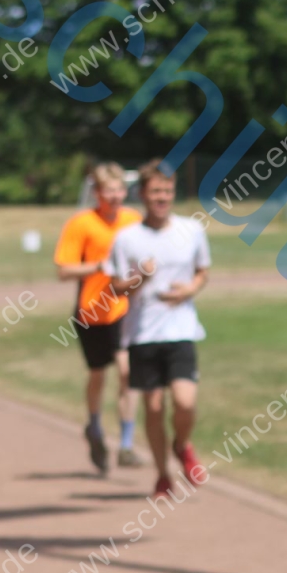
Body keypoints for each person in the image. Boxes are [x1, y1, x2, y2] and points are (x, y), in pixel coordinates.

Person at [105, 163, 210, 500]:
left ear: (173, 192)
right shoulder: (127, 238)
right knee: (152, 408)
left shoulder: (192, 229)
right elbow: (116, 288)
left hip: (181, 330)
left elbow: (202, 271)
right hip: (142, 334)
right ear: (143, 195)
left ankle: (182, 444)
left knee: (185, 402)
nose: (162, 197)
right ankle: (163, 475)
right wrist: (141, 279)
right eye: (155, 192)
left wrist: (190, 290)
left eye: (167, 191)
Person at [55, 162, 143, 474]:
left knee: (126, 372)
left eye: (120, 190)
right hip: (90, 311)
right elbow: (63, 271)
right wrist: (99, 267)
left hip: (122, 309)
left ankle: (127, 444)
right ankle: (94, 428)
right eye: (109, 191)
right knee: (98, 375)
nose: (116, 196)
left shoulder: (134, 220)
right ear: (97, 193)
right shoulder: (81, 224)